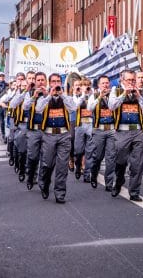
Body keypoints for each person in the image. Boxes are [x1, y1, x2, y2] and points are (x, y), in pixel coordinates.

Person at [35, 73, 84, 203]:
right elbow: (38, 109)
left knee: (62, 166)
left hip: (64, 135)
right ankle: (44, 184)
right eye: (53, 82)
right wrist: (49, 95)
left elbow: (73, 108)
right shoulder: (43, 97)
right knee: (47, 164)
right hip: (48, 135)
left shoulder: (65, 97)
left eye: (58, 81)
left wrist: (62, 94)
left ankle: (60, 193)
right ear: (49, 83)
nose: (56, 84)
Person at [107, 70, 143, 201]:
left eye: (133, 80)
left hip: (138, 131)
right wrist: (124, 94)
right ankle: (119, 179)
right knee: (120, 161)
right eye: (129, 80)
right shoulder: (116, 90)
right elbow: (111, 106)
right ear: (122, 80)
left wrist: (138, 96)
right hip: (122, 131)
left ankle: (134, 192)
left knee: (137, 163)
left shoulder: (142, 91)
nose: (132, 82)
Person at [84, 75, 117, 190]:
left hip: (112, 129)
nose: (105, 85)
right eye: (103, 83)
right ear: (98, 85)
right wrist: (99, 97)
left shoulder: (113, 96)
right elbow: (89, 108)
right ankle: (94, 173)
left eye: (107, 83)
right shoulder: (94, 96)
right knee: (97, 156)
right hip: (98, 130)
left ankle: (109, 183)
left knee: (111, 157)